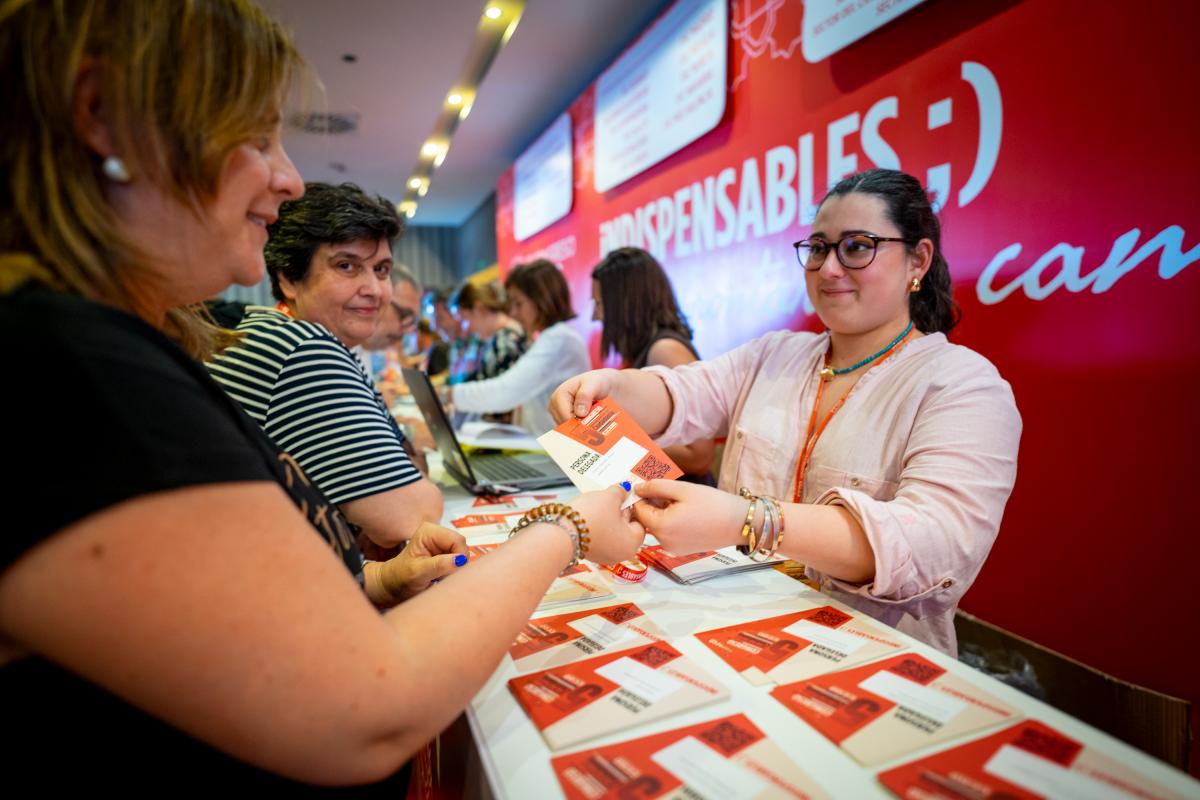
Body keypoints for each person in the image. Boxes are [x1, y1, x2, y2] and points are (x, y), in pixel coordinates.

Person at [0, 0, 645, 789]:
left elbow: (224, 616)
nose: (287, 176)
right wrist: (565, 526)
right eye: (255, 134)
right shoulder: (69, 362)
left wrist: (376, 581)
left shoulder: (97, 345)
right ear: (104, 118)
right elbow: (370, 704)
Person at [553, 169, 1021, 656]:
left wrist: (750, 520)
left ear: (917, 260)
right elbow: (683, 392)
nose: (830, 269)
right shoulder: (775, 355)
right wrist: (610, 387)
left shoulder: (963, 383)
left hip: (869, 658)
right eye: (818, 248)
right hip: (729, 628)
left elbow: (935, 543)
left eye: (857, 246)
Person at [207, 182, 443, 549]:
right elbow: (411, 518)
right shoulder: (300, 348)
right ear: (289, 278)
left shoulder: (277, 330)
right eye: (347, 266)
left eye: (381, 270)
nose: (374, 289)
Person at [591, 247, 715, 480]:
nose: (595, 316)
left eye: (599, 304)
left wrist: (614, 438)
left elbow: (699, 456)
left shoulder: (666, 350)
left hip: (685, 502)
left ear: (624, 304)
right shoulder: (645, 350)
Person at [452, 259, 591, 435]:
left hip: (557, 453)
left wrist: (450, 395)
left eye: (519, 303)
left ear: (541, 300)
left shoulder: (559, 339)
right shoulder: (552, 338)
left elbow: (505, 391)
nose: (514, 313)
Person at [452, 279, 529, 382]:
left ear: (479, 308)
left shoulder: (507, 341)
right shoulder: (500, 338)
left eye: (465, 319)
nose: (466, 329)